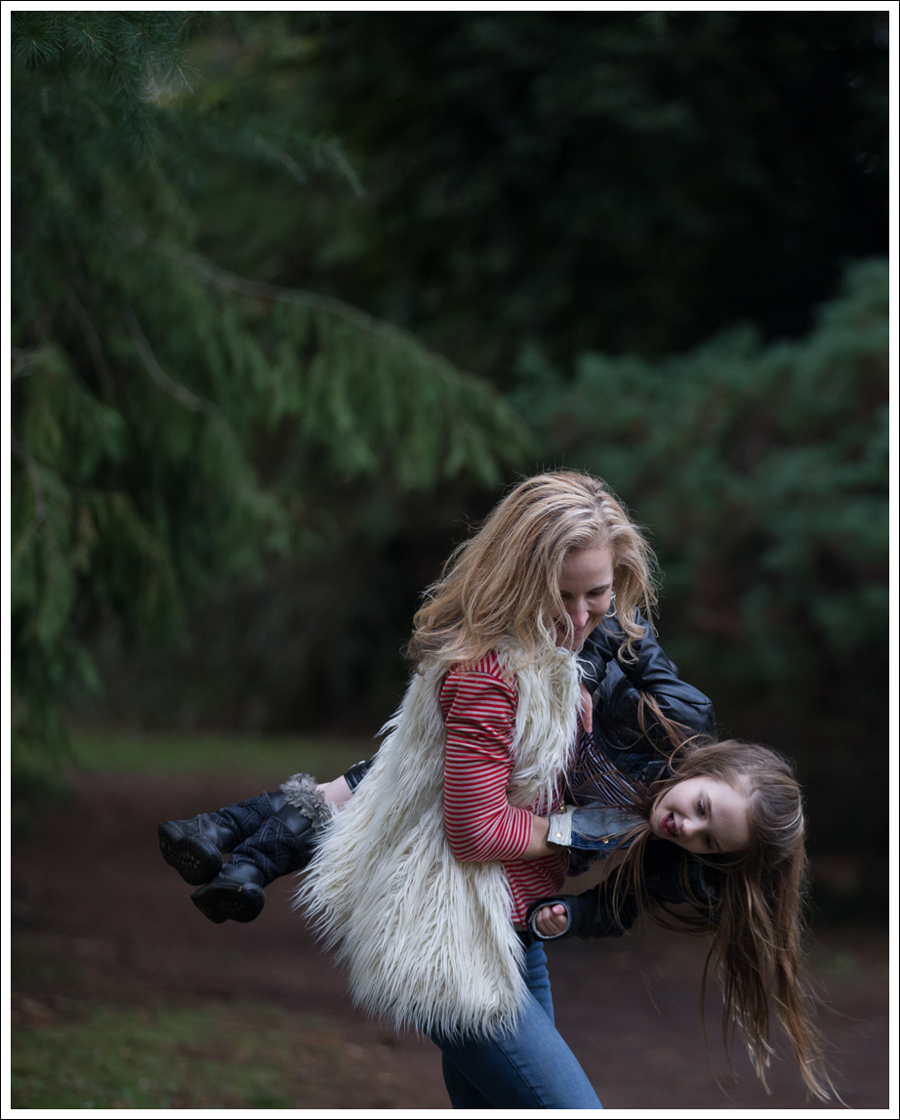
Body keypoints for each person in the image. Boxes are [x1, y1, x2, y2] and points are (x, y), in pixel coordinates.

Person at [158, 471, 832, 1104]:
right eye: (562, 595)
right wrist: (579, 809)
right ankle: (234, 845)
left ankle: (229, 841)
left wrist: (570, 915)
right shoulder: (508, 677)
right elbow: (471, 826)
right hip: (454, 931)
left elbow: (620, 901)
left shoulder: (632, 777)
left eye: (596, 594)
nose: (579, 618)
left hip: (513, 929)